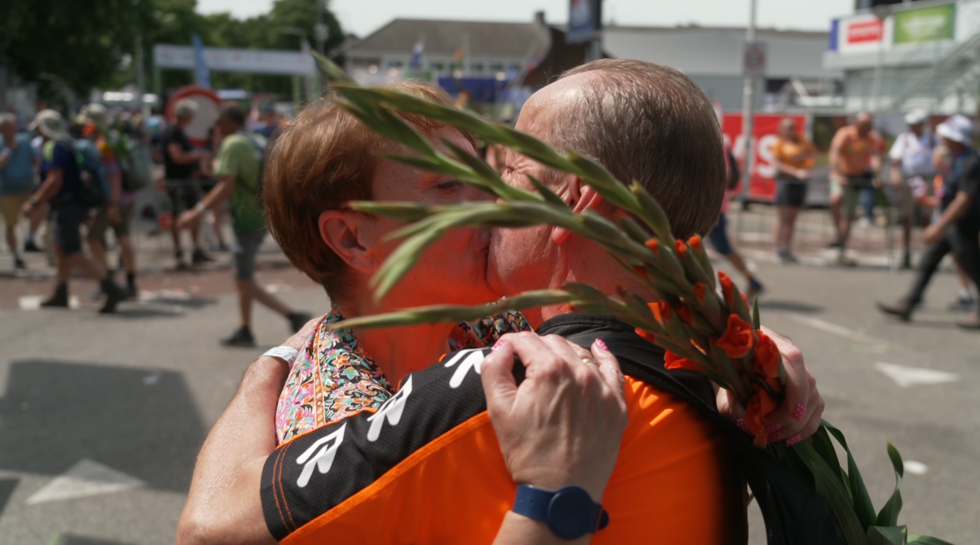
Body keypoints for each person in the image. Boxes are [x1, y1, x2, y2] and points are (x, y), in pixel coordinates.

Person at [178, 63, 826, 544]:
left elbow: (210, 527)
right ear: (350, 238)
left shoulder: (508, 372)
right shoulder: (698, 371)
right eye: (448, 185)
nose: (490, 200)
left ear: (575, 202)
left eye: (505, 172)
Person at [176, 103, 311, 347]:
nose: (217, 128)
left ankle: (293, 316)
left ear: (228, 122)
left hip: (246, 219)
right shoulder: (254, 139)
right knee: (242, 275)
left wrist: (196, 213)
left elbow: (226, 185)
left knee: (243, 279)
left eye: (219, 123)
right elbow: (237, 175)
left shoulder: (233, 144)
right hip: (261, 214)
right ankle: (245, 327)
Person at [878, 115, 980, 329]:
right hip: (951, 224)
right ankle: (910, 302)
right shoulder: (956, 159)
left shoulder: (971, 162)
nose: (941, 138)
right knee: (929, 261)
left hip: (963, 224)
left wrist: (939, 225)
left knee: (972, 267)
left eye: (946, 135)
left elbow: (964, 199)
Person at [22, 110, 126, 313]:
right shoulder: (68, 144)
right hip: (74, 204)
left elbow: (54, 180)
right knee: (59, 247)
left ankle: (111, 287)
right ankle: (61, 291)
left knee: (72, 252)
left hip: (67, 206)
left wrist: (34, 202)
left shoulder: (54, 147)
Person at [78, 104, 139, 299]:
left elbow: (113, 175)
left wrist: (112, 204)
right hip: (124, 198)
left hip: (114, 200)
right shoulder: (113, 138)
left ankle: (107, 281)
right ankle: (129, 282)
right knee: (123, 239)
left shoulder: (104, 144)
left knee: (93, 238)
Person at [706, 143, 764, 298]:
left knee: (724, 249)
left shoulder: (716, 144)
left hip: (712, 208)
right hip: (704, 207)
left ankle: (753, 281)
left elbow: (727, 175)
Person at [163, 99, 212, 269]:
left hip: (187, 181)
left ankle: (196, 250)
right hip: (178, 182)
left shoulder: (178, 131)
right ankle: (179, 253)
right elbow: (177, 157)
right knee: (177, 216)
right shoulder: (172, 132)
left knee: (194, 214)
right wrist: (198, 155)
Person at [829, 112, 883, 266]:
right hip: (840, 174)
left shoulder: (871, 138)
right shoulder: (845, 134)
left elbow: (875, 157)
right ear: (857, 124)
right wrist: (839, 174)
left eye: (870, 125)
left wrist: (877, 175)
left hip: (856, 178)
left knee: (848, 214)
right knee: (836, 199)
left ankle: (842, 246)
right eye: (866, 125)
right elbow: (834, 153)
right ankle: (838, 233)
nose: (869, 128)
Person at [889, 110, 937, 270]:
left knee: (926, 217)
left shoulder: (932, 139)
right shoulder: (904, 139)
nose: (913, 127)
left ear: (922, 124)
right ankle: (906, 251)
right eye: (910, 124)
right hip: (909, 180)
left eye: (916, 124)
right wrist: (895, 176)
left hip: (928, 180)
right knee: (906, 216)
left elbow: (941, 159)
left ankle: (928, 252)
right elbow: (895, 161)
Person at [771, 117, 816, 263]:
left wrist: (807, 167)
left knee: (792, 218)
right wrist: (795, 172)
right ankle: (777, 248)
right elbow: (777, 164)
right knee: (782, 217)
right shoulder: (779, 144)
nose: (790, 131)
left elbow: (811, 155)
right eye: (787, 128)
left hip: (799, 183)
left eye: (792, 127)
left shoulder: (802, 141)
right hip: (786, 182)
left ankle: (787, 247)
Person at [0, 113, 37, 270]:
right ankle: (16, 256)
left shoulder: (25, 141)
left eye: (13, 128)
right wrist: (9, 150)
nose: (11, 131)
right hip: (7, 191)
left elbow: (36, 160)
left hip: (27, 189)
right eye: (7, 128)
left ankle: (31, 239)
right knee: (11, 224)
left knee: (41, 210)